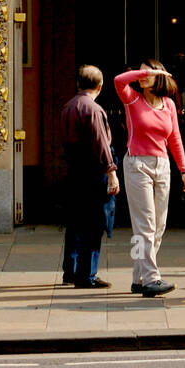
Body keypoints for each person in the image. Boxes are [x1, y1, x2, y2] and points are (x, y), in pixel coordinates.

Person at [114, 60, 185, 297]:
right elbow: (118, 80)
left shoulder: (168, 104)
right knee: (145, 225)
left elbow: (175, 139)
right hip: (138, 163)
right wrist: (147, 72)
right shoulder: (132, 99)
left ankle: (138, 277)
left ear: (160, 77)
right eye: (141, 72)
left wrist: (184, 170)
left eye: (148, 72)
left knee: (158, 226)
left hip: (163, 165)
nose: (142, 77)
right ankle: (151, 278)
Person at [59, 64, 119, 290]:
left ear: (78, 84)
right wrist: (111, 172)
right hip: (93, 173)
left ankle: (71, 271)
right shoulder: (93, 109)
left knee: (74, 222)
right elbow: (102, 144)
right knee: (94, 223)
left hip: (74, 171)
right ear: (100, 86)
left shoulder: (68, 107)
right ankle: (87, 274)